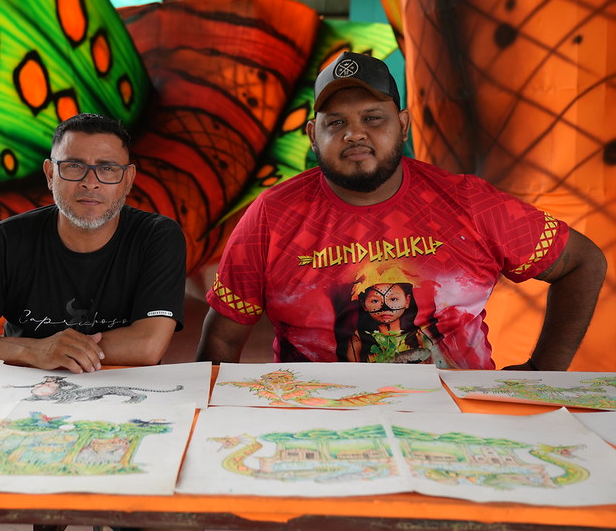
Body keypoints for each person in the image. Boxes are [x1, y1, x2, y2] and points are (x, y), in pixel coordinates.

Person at [196, 51, 606, 370]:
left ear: (404, 124)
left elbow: (582, 262)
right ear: (312, 136)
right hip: (319, 417)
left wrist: (542, 372)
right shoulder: (272, 215)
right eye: (335, 123)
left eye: (372, 118)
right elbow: (222, 339)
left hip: (459, 416)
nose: (354, 133)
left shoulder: (468, 202)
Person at [0, 113, 187, 373]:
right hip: (22, 388)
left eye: (107, 168)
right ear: (50, 174)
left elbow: (147, 346)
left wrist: (58, 352)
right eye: (74, 166)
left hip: (128, 389)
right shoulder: (8, 238)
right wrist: (33, 350)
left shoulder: (157, 237)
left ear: (129, 179)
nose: (90, 183)